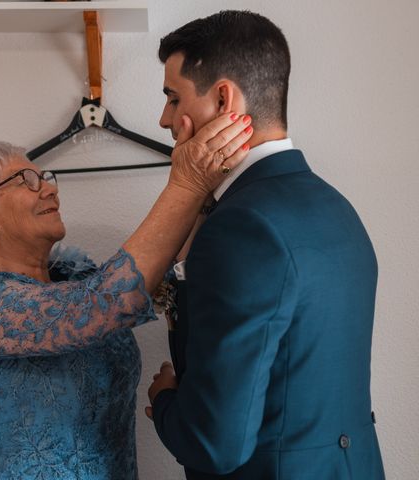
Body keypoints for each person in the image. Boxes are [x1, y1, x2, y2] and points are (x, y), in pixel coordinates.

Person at [0, 114, 253, 480]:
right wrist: (186, 183)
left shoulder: (79, 279)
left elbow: (166, 272)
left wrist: (202, 191)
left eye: (44, 177)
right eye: (26, 180)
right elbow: (108, 301)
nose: (49, 188)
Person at [146, 10, 385, 480]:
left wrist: (165, 400)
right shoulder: (337, 208)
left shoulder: (242, 226)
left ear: (222, 98)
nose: (164, 119)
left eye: (174, 99)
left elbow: (217, 444)